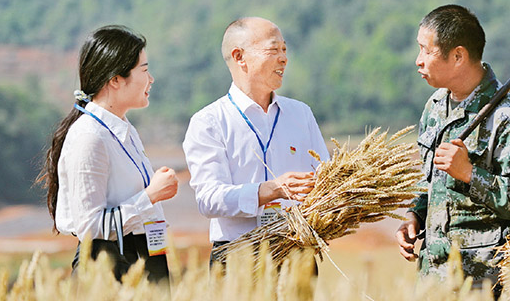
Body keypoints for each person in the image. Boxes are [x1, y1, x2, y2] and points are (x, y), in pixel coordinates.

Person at [395, 4, 510, 291]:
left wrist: (469, 173)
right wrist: (414, 214)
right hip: (434, 280)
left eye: (426, 50)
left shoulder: (508, 118)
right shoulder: (435, 108)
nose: (418, 60)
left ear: (458, 56)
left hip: (486, 285)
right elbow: (431, 181)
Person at [182, 17, 329, 265]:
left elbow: (325, 175)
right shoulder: (209, 121)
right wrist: (270, 190)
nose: (283, 58)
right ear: (239, 56)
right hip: (237, 255)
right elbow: (209, 199)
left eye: (284, 50)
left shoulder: (300, 113)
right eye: (274, 50)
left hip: (297, 253)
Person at [39, 25, 179, 282]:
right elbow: (90, 227)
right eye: (144, 70)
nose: (151, 79)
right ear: (115, 79)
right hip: (110, 270)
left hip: (139, 259)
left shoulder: (122, 128)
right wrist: (150, 195)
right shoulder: (90, 137)